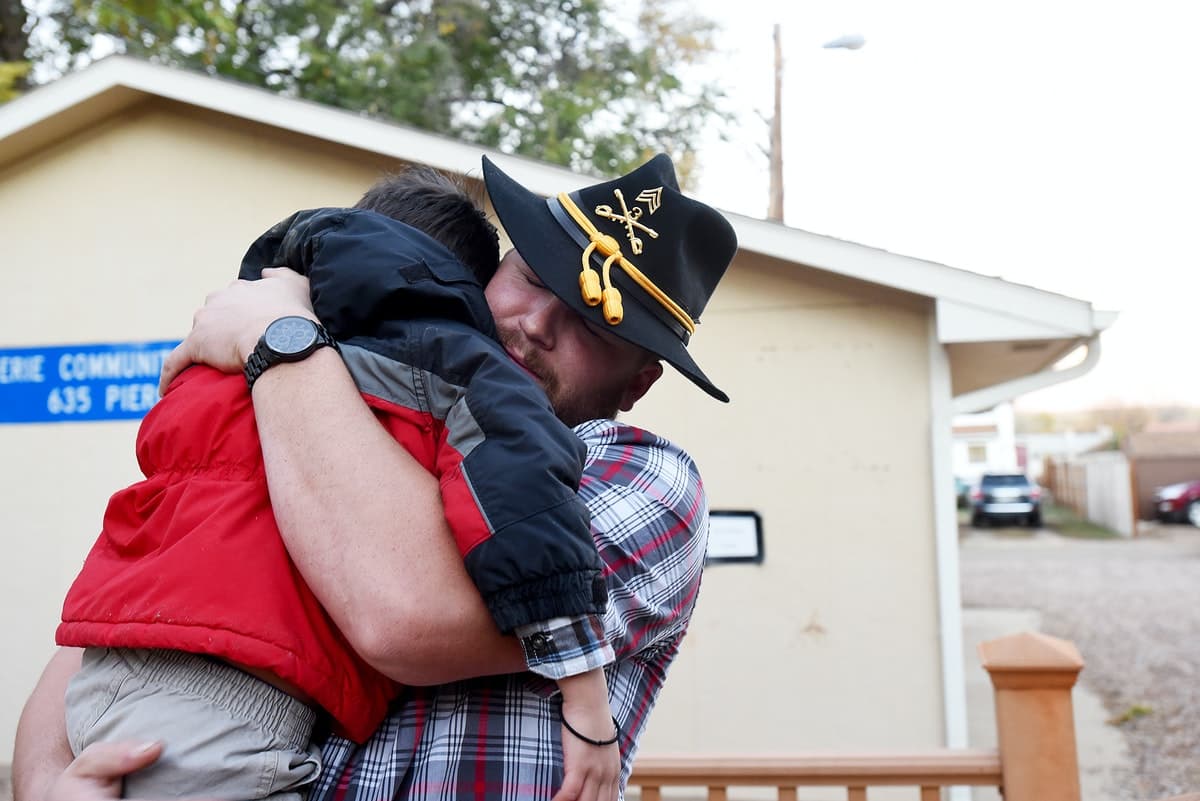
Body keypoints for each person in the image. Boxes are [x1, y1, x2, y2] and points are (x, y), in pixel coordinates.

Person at [13, 153, 739, 801]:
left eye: (593, 323)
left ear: (638, 382)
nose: (534, 323)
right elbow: (130, 601)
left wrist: (279, 335)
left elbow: (405, 619)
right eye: (528, 277)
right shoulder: (347, 400)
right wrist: (47, 779)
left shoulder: (645, 477)